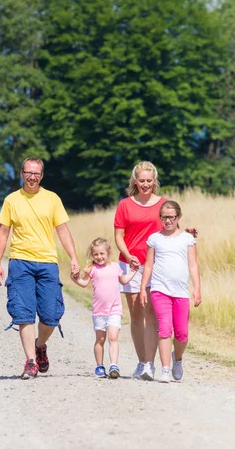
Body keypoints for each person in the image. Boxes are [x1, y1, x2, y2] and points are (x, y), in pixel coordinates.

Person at [0, 157, 81, 379]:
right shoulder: (12, 200)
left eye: (36, 173)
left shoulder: (52, 199)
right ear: (21, 173)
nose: (32, 177)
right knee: (23, 313)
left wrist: (73, 257)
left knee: (51, 314)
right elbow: (3, 233)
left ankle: (40, 345)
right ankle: (31, 361)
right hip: (20, 262)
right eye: (28, 172)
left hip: (47, 263)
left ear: (41, 175)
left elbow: (62, 230)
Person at [114, 161, 167, 381]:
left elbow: (171, 230)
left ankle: (150, 365)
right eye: (141, 181)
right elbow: (118, 236)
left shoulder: (164, 204)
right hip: (130, 265)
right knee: (136, 316)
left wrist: (188, 234)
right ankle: (142, 361)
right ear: (135, 181)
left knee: (151, 315)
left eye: (149, 180)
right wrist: (128, 256)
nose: (145, 184)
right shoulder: (125, 205)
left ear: (155, 181)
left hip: (156, 266)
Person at [140, 200, 201, 383]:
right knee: (164, 329)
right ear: (160, 218)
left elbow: (193, 265)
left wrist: (197, 288)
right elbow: (149, 265)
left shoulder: (187, 239)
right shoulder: (154, 239)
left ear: (178, 217)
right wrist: (143, 288)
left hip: (181, 292)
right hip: (160, 290)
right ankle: (165, 369)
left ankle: (177, 359)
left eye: (171, 217)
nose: (167, 221)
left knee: (182, 333)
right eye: (164, 217)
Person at [71, 237, 137, 379]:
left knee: (113, 337)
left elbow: (124, 280)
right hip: (99, 311)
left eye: (102, 254)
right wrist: (74, 278)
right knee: (100, 340)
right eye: (96, 254)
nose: (99, 257)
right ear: (92, 255)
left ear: (108, 253)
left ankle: (114, 365)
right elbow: (83, 283)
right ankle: (99, 366)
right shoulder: (92, 269)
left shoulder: (115, 267)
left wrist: (133, 271)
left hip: (114, 309)